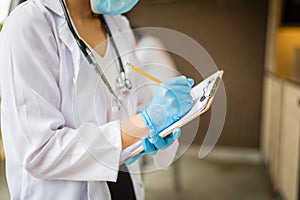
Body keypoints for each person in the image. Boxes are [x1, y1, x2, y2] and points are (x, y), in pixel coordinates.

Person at [0, 0, 194, 199]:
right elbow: (41, 152)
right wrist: (144, 123)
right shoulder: (28, 25)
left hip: (124, 184)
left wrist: (156, 130)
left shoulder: (118, 25)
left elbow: (136, 104)